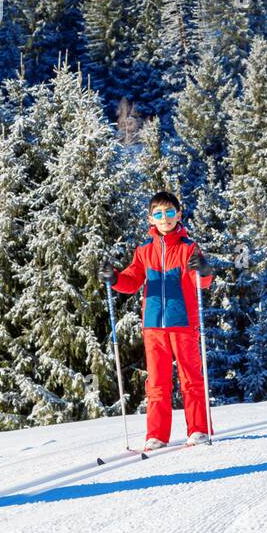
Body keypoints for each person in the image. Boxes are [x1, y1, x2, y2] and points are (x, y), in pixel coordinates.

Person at [99, 191, 214, 449]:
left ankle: (199, 430)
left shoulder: (188, 248)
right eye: (159, 214)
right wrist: (115, 278)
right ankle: (157, 435)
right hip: (153, 326)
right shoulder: (144, 251)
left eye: (170, 212)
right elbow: (132, 279)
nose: (165, 218)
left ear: (179, 215)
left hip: (183, 322)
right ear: (151, 218)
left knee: (190, 378)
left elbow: (201, 282)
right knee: (157, 382)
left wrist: (204, 271)